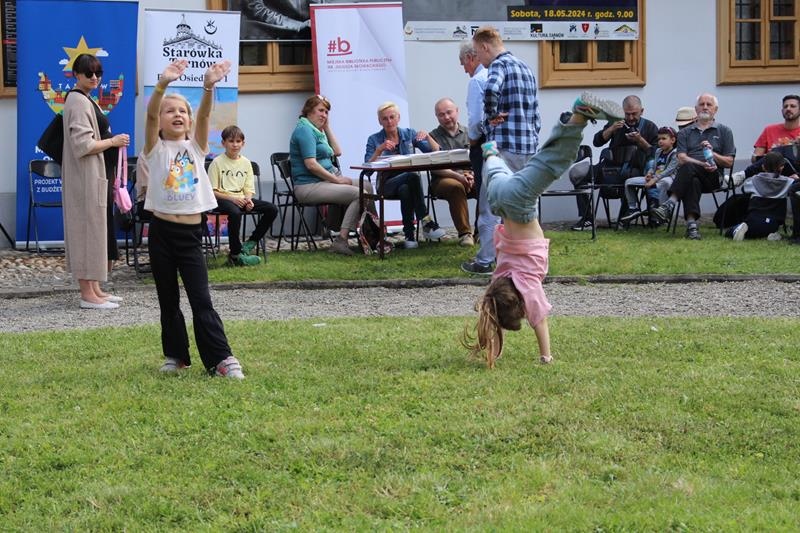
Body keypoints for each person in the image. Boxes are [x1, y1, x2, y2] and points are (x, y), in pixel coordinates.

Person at [463, 93, 623, 369]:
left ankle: (579, 115)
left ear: (520, 302)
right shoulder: (498, 279)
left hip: (518, 202)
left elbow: (540, 320)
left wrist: (545, 356)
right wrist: (493, 352)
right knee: (495, 171)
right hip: (499, 198)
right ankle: (491, 153)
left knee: (550, 162)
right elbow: (492, 314)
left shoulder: (528, 285)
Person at [143, 58, 244, 379]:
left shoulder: (197, 147)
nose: (177, 114)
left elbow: (204, 115)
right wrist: (162, 85)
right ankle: (176, 356)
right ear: (160, 121)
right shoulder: (155, 149)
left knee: (201, 299)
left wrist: (208, 86)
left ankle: (221, 359)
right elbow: (149, 114)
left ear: (188, 121)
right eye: (169, 111)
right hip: (161, 233)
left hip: (190, 237)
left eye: (182, 111)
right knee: (168, 299)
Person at [465, 25, 540, 270]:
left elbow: (491, 90)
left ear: (485, 47)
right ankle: (527, 259)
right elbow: (535, 114)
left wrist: (491, 115)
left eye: (478, 53)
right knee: (524, 205)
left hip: (503, 147)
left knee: (490, 206)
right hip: (527, 148)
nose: (479, 59)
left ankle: (486, 260)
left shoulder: (498, 65)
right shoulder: (525, 67)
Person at [61, 53, 130, 310]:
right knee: (85, 230)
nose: (94, 77)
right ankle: (87, 294)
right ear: (76, 75)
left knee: (94, 229)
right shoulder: (78, 101)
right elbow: (83, 145)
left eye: (98, 73)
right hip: (85, 177)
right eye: (88, 73)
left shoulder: (85, 99)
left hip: (92, 175)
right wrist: (113, 141)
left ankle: (95, 289)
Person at [290, 94, 376, 256]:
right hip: (309, 186)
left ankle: (371, 234)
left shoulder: (317, 131)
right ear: (309, 111)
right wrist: (336, 180)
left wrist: (327, 127)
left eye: (326, 112)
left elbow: (337, 151)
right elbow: (311, 165)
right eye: (320, 110)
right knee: (360, 194)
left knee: (367, 186)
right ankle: (341, 241)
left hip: (324, 181)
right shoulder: (304, 130)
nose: (324, 115)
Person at [650, 93, 736, 240]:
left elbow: (729, 162)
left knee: (688, 168)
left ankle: (669, 204)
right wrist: (702, 163)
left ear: (715, 109)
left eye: (709, 104)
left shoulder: (724, 131)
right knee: (692, 179)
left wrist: (712, 154)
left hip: (714, 176)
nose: (705, 107)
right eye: (701, 104)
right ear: (696, 109)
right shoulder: (685, 132)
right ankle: (692, 227)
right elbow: (681, 158)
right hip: (689, 176)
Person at [364, 101, 446, 249]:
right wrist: (379, 150)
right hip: (386, 184)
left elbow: (434, 152)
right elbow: (368, 169)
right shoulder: (374, 139)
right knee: (412, 176)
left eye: (392, 117)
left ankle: (409, 236)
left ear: (398, 118)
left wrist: (428, 137)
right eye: (385, 119)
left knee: (406, 189)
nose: (389, 122)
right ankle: (426, 221)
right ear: (379, 121)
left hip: (407, 185)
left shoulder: (409, 134)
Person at [571, 95, 659, 230]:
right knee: (578, 175)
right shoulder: (616, 122)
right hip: (609, 167)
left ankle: (625, 219)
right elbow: (597, 142)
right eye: (627, 114)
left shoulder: (650, 127)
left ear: (642, 111)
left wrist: (640, 140)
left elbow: (656, 153)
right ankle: (587, 219)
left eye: (634, 114)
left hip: (633, 168)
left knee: (630, 178)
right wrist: (611, 129)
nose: (630, 118)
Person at [208, 125, 278, 266]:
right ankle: (235, 255)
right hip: (222, 199)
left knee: (272, 209)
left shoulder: (246, 163)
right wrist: (233, 199)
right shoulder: (216, 163)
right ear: (223, 143)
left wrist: (248, 200)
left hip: (241, 198)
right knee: (235, 213)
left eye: (238, 141)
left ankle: (249, 244)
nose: (235, 145)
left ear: (243, 143)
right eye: (231, 141)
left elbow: (248, 188)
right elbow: (212, 191)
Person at [458, 40, 499, 275]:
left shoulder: (477, 80)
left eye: (463, 63)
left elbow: (475, 120)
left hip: (484, 145)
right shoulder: (496, 75)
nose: (463, 68)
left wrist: (472, 141)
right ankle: (502, 254)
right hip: (503, 144)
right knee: (501, 199)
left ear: (471, 58)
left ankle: (485, 258)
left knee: (487, 203)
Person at [428, 97, 476, 246]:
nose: (446, 117)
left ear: (457, 111)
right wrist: (458, 176)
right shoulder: (432, 137)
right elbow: (434, 167)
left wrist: (473, 175)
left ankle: (482, 231)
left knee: (485, 185)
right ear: (437, 117)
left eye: (449, 112)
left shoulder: (471, 133)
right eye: (441, 114)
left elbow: (479, 160)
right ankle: (465, 234)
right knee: (456, 186)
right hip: (443, 178)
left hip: (470, 175)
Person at [726, 151, 798, 241]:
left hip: (752, 219)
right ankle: (771, 234)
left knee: (730, 231)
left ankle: (738, 230)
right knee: (765, 230)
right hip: (773, 223)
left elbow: (744, 190)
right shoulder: (788, 182)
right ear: (782, 167)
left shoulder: (754, 180)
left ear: (763, 167)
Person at [618, 126, 679, 225]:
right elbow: (654, 166)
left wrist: (654, 180)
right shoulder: (658, 151)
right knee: (628, 182)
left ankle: (662, 210)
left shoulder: (675, 153)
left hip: (668, 178)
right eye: (659, 139)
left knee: (665, 182)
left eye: (664, 138)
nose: (660, 141)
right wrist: (649, 173)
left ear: (672, 140)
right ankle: (633, 208)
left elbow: (669, 170)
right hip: (655, 178)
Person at [751, 94, 800, 162]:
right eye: (785, 106)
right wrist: (771, 157)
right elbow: (755, 159)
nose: (788, 109)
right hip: (773, 167)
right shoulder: (769, 130)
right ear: (782, 111)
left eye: (792, 106)